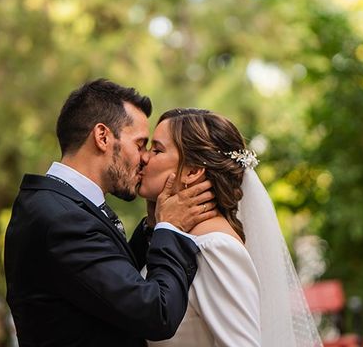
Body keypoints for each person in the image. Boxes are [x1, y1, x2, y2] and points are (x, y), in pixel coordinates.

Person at [4, 80, 217, 347]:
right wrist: (169, 228)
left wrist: (152, 227)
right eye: (140, 144)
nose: (144, 158)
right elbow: (157, 313)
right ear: (103, 137)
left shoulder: (60, 205)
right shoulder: (61, 219)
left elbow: (108, 282)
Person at [138, 108, 323, 347]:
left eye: (157, 150)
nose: (144, 157)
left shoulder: (214, 246)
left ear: (192, 172)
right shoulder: (176, 237)